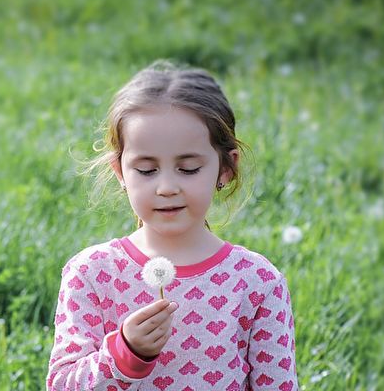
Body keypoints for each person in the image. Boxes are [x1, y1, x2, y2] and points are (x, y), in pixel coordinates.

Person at [46, 61, 298, 390]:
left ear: (225, 168)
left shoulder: (258, 282)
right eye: (147, 170)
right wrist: (124, 353)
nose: (166, 187)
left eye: (189, 168)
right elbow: (62, 384)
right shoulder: (92, 273)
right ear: (120, 172)